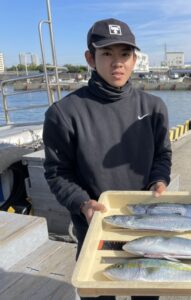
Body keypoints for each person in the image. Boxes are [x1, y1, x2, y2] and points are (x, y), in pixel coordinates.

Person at [43, 18, 171, 300]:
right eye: (107, 54)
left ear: (135, 59)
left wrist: (159, 180)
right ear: (90, 58)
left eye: (125, 54)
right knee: (98, 294)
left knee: (146, 295)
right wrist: (81, 203)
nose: (118, 63)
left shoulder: (154, 107)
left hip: (146, 224)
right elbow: (57, 172)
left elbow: (162, 154)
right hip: (94, 224)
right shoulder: (63, 113)